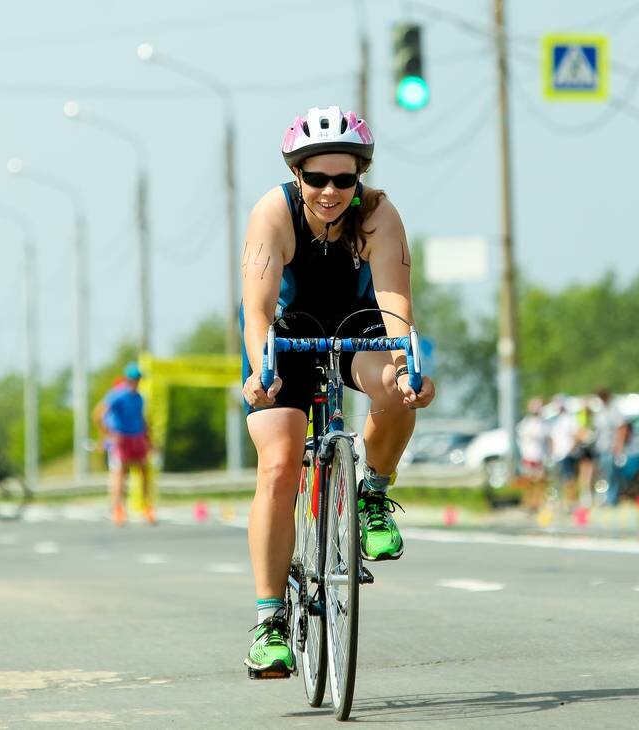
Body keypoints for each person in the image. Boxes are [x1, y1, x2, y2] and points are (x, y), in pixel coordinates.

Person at [238, 105, 436, 679]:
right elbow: (256, 310)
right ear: (296, 174)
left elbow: (395, 305)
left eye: (344, 179)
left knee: (399, 391)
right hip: (284, 334)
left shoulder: (377, 215)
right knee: (278, 465)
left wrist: (407, 365)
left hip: (357, 328)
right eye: (317, 178)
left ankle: (371, 493)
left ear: (360, 178)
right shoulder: (273, 213)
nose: (330, 191)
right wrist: (262, 370)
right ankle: (270, 622)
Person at [92, 363, 152, 526]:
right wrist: (110, 433)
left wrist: (149, 439)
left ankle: (147, 507)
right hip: (121, 438)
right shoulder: (117, 395)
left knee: (143, 470)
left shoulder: (139, 397)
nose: (137, 382)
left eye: (138, 379)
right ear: (128, 379)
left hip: (137, 437)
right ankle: (118, 509)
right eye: (134, 379)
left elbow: (142, 419)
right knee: (120, 473)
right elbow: (98, 415)